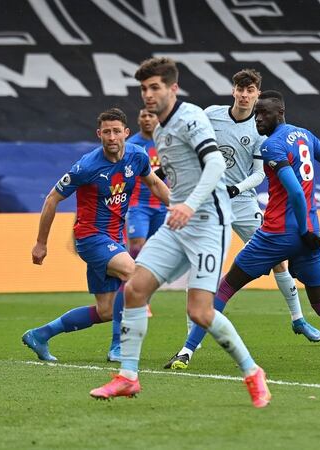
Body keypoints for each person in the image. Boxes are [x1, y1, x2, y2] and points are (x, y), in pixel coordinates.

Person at [89, 57, 271, 408]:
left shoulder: (191, 118)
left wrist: (189, 205)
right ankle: (127, 377)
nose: (148, 94)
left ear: (173, 88)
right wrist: (177, 203)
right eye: (144, 88)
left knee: (200, 312)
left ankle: (252, 372)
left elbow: (216, 162)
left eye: (155, 87)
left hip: (207, 223)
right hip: (179, 222)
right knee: (135, 289)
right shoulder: (159, 127)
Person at [184, 90, 320, 369]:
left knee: (224, 289)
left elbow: (295, 192)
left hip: (276, 235)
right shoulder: (305, 135)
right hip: (311, 235)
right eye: (256, 113)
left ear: (280, 113)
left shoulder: (272, 145)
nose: (258, 118)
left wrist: (303, 230)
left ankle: (186, 352)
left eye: (264, 113)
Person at [163, 69, 320, 370]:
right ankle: (190, 338)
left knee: (279, 261)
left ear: (257, 94)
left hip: (243, 202)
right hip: (210, 202)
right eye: (241, 88)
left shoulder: (261, 127)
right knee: (201, 264)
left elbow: (260, 174)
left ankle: (298, 319)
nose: (245, 94)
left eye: (251, 90)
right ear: (234, 90)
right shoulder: (212, 115)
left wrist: (236, 187)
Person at [23, 108, 169, 361]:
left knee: (106, 311)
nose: (112, 137)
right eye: (106, 132)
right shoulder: (86, 166)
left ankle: (40, 335)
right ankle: (118, 347)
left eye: (116, 131)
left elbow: (155, 184)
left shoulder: (137, 156)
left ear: (126, 133)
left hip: (114, 239)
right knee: (133, 274)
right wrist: (40, 243)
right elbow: (51, 199)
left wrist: (181, 210)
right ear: (99, 134)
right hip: (90, 238)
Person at [107, 109, 165, 362]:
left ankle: (142, 292)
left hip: (161, 206)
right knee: (138, 245)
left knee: (156, 252)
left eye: (151, 116)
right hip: (139, 205)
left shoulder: (165, 142)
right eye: (142, 116)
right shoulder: (131, 147)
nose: (147, 119)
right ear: (138, 121)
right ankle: (131, 286)